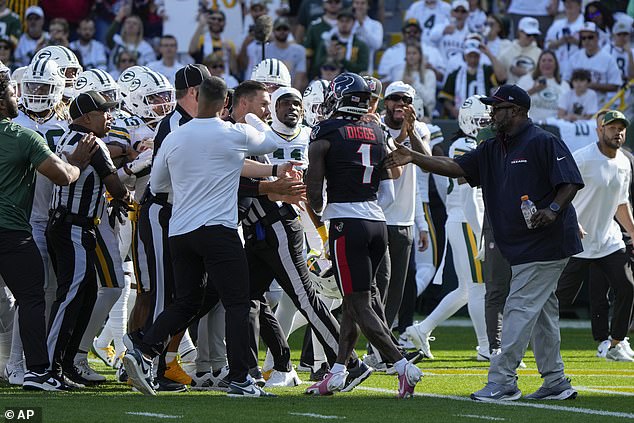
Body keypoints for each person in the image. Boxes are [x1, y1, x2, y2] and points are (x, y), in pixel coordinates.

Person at [385, 84, 583, 401]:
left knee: (518, 308)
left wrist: (552, 210)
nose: (492, 113)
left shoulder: (543, 141)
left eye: (498, 108)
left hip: (547, 243)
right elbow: (455, 167)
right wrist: (414, 157)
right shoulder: (493, 147)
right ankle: (556, 381)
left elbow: (570, 180)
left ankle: (503, 381)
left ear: (517, 111)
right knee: (543, 314)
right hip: (521, 245)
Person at [123, 76, 279, 397]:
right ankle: (239, 377)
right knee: (237, 302)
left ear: (197, 96)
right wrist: (250, 117)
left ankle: (145, 348)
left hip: (181, 231)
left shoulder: (175, 137)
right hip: (218, 229)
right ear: (225, 103)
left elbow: (159, 187)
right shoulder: (233, 132)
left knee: (186, 301)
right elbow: (271, 141)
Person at [305, 72, 423, 398]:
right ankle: (339, 371)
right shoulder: (376, 130)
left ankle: (402, 365)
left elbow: (314, 192)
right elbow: (387, 191)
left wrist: (320, 214)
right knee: (355, 298)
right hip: (376, 223)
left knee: (357, 302)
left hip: (346, 223)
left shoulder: (325, 130)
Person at [0, 69, 96, 391]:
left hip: (15, 231)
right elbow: (63, 176)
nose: (18, 99)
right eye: (13, 94)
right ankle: (38, 372)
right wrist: (78, 162)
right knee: (31, 298)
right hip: (12, 233)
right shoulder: (22, 137)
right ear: (2, 101)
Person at [46, 91, 132, 388]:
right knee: (71, 297)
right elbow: (115, 187)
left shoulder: (69, 137)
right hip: (74, 227)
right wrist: (128, 194)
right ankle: (49, 367)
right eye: (104, 112)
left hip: (67, 225)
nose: (110, 117)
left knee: (85, 296)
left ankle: (67, 363)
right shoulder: (93, 144)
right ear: (86, 118)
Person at [405, 95, 489, 361]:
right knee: (478, 286)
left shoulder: (469, 143)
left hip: (462, 218)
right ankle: (487, 347)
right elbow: (469, 195)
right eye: (481, 121)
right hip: (466, 218)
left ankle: (421, 329)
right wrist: (481, 232)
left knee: (465, 289)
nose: (486, 125)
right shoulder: (466, 144)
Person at [556, 110, 634, 362]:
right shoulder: (582, 159)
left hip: (609, 240)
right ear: (599, 130)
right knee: (560, 299)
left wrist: (633, 232)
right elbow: (561, 194)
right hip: (578, 242)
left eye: (621, 128)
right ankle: (529, 338)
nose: (618, 132)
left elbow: (621, 203)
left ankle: (614, 343)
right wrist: (573, 223)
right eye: (611, 128)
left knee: (627, 287)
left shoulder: (624, 162)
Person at [516, 50, 570, 123]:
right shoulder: (526, 79)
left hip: (554, 125)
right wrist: (534, 90)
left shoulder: (564, 85)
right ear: (538, 64)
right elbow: (515, 100)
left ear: (556, 64)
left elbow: (568, 108)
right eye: (543, 61)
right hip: (531, 124)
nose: (547, 63)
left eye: (550, 61)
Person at [498, 17, 542, 85]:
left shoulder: (540, 54)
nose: (532, 38)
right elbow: (500, 77)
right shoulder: (506, 52)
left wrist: (526, 74)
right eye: (528, 34)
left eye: (535, 35)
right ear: (519, 32)